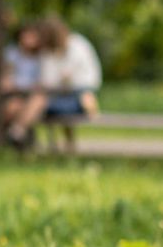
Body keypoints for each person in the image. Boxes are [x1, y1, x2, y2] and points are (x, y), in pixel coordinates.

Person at [8, 15, 102, 150]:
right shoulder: (48, 53)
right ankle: (22, 137)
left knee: (38, 101)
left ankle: (17, 132)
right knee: (18, 105)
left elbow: (89, 80)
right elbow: (48, 81)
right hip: (55, 97)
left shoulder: (78, 46)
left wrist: (64, 82)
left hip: (77, 97)